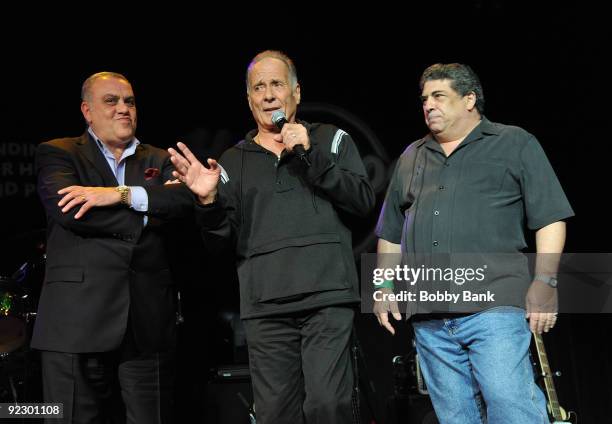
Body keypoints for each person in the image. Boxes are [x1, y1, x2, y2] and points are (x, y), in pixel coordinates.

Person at [168, 50, 375, 423]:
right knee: (276, 414)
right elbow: (219, 242)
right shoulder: (232, 161)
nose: (268, 95)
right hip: (266, 306)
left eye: (276, 84)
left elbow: (361, 201)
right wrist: (208, 202)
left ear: (296, 92)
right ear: (249, 101)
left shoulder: (330, 140)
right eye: (258, 87)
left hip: (327, 298)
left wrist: (310, 155)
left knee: (329, 407)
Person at [373, 63, 574, 423]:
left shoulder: (513, 143)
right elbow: (390, 232)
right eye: (424, 99)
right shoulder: (412, 156)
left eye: (439, 96)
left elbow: (549, 218)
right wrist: (383, 287)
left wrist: (546, 281)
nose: (428, 105)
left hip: (493, 306)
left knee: (512, 409)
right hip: (430, 316)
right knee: (455, 418)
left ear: (469, 100)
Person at [32, 71, 193, 423]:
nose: (124, 108)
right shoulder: (58, 153)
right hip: (75, 320)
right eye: (111, 101)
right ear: (87, 111)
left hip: (146, 320)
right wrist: (149, 212)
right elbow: (72, 213)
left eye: (129, 102)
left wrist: (120, 195)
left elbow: (183, 202)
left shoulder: (159, 158)